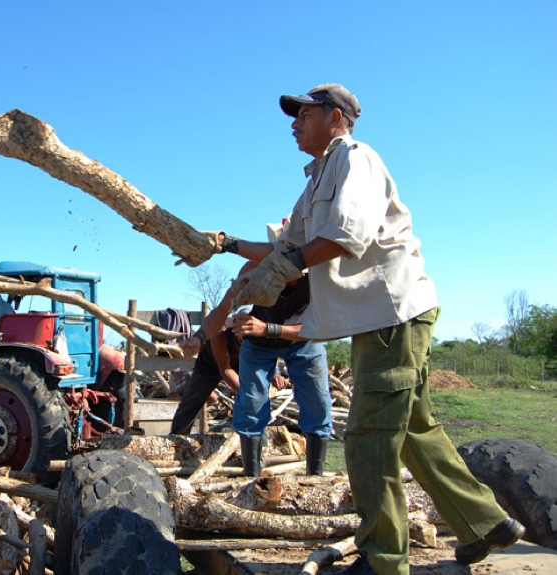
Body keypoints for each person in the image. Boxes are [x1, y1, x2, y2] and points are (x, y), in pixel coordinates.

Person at [191, 84, 520, 574]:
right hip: (379, 320)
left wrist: (289, 266)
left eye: (304, 113)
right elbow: (286, 248)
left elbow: (349, 235)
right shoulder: (318, 177)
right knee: (411, 429)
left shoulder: (355, 159)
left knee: (366, 435)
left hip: (394, 313)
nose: (294, 122)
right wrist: (227, 244)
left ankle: (383, 558)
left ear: (336, 117)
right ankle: (484, 522)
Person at [181, 272, 333, 477]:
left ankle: (316, 478)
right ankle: (252, 478)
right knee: (252, 403)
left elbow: (321, 327)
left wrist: (267, 328)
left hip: (304, 340)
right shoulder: (255, 272)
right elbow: (222, 310)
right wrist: (199, 337)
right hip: (258, 343)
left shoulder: (320, 276)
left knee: (318, 400)